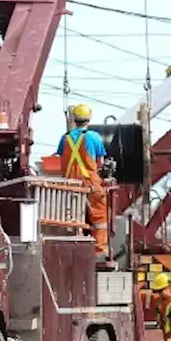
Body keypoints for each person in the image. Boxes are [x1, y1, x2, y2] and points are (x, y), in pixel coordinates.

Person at [55, 103, 109, 257]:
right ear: (89, 118)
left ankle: (72, 249)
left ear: (74, 119)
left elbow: (61, 158)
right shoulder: (93, 137)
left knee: (71, 218)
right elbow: (100, 162)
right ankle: (98, 250)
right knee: (99, 218)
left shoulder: (64, 138)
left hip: (69, 184)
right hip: (89, 183)